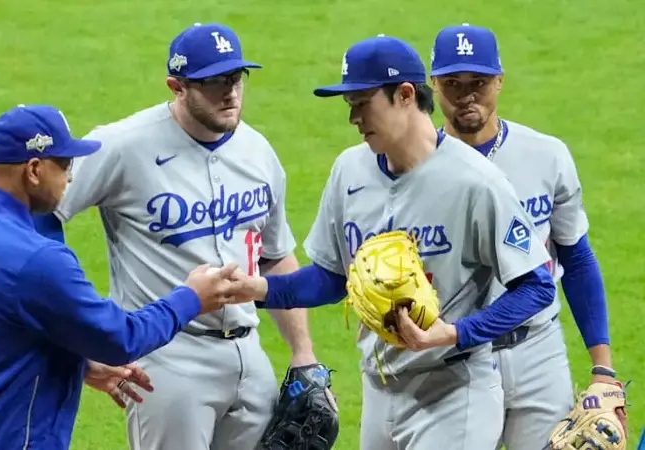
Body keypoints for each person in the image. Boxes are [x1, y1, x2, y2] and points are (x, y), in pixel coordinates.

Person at [228, 35, 558, 449]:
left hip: (454, 392)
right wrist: (258, 289)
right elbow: (333, 279)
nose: (354, 119)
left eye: (362, 103)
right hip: (380, 390)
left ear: (404, 95)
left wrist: (453, 333)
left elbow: (537, 287)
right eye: (350, 106)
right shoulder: (349, 170)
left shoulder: (477, 182)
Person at [31, 23, 325, 450]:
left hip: (249, 356)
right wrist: (77, 337)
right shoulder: (121, 146)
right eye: (213, 82)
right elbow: (40, 217)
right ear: (178, 87)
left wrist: (303, 352)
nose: (230, 93)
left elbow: (275, 257)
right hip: (166, 362)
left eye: (236, 78)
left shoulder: (258, 151)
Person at [0, 104, 246, 450]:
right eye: (65, 165)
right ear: (34, 170)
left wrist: (78, 364)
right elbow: (121, 338)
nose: (71, 177)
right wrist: (191, 298)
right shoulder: (36, 259)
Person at [429, 23, 625, 449]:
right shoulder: (420, 167)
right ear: (433, 86)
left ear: (499, 80)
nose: (467, 95)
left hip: (539, 351)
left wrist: (603, 369)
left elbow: (577, 258)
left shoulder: (546, 155)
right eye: (453, 83)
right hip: (456, 359)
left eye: (479, 82)